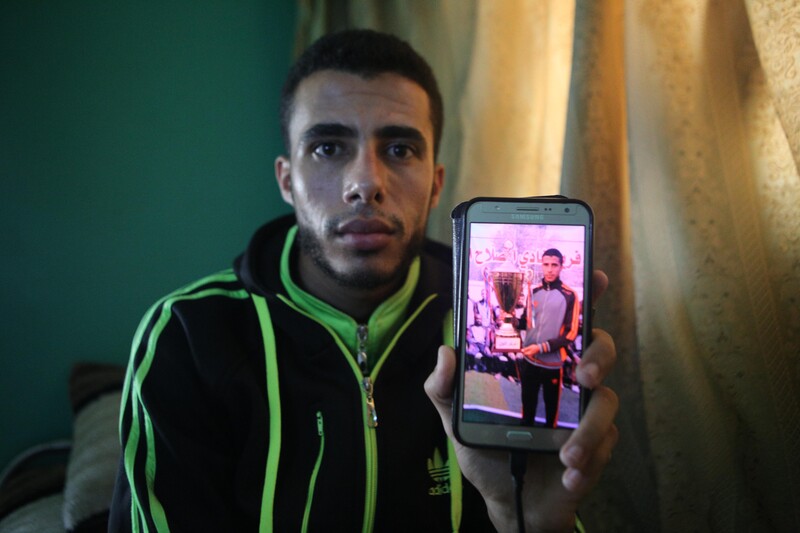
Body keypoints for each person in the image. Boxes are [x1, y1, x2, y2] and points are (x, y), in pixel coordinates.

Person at [109, 29, 618, 532]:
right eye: (328, 148)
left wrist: (529, 522)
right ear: (287, 180)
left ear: (436, 184)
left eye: (399, 150)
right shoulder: (188, 338)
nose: (366, 184)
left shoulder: (466, 322)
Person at [520, 249, 581, 428]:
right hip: (529, 361)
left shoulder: (570, 295)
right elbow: (526, 322)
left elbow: (570, 333)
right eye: (546, 264)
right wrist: (511, 319)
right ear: (542, 265)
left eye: (554, 265)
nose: (550, 269)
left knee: (550, 413)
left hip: (552, 365)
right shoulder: (534, 291)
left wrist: (542, 347)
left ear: (561, 266)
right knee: (527, 412)